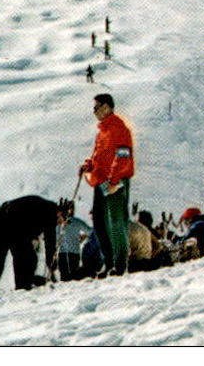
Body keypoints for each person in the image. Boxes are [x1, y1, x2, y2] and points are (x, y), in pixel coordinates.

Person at [79, 93, 134, 277]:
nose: (94, 111)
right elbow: (99, 157)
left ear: (107, 107)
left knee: (116, 222)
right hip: (100, 182)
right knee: (100, 224)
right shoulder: (102, 132)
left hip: (114, 182)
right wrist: (89, 165)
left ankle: (119, 265)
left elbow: (123, 156)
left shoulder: (119, 129)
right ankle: (109, 262)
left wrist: (114, 180)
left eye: (97, 107)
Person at [0, 195, 59, 290]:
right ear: (60, 213)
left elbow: (30, 220)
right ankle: (23, 286)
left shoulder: (46, 206)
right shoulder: (50, 214)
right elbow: (50, 241)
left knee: (27, 257)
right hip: (12, 224)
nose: (61, 223)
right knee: (26, 257)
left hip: (7, 220)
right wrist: (51, 264)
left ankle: (24, 284)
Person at [54, 200, 91, 281]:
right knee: (74, 277)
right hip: (73, 253)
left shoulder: (58, 224)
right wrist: (83, 237)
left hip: (63, 253)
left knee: (64, 277)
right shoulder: (76, 222)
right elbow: (90, 231)